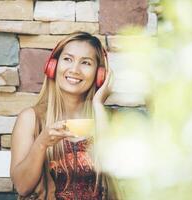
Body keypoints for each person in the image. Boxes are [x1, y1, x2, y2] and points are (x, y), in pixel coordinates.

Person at [11, 32, 121, 200]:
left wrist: (98, 105)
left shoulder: (111, 119)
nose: (74, 70)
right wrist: (41, 143)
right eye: (68, 59)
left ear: (100, 75)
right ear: (53, 66)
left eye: (86, 62)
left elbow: (119, 173)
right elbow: (22, 187)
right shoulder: (30, 118)